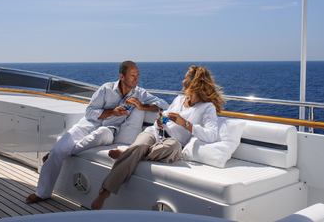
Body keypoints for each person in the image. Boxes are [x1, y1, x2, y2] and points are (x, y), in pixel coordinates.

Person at [26, 60, 168, 204]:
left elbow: (164, 105)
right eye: (132, 75)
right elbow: (89, 112)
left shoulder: (140, 93)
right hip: (88, 124)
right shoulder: (106, 89)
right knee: (58, 149)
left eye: (137, 75)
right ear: (122, 76)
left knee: (97, 135)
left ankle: (58, 153)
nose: (136, 79)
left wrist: (142, 106)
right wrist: (112, 112)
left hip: (110, 131)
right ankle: (42, 193)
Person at [91, 65, 224, 210]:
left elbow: (211, 135)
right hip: (155, 132)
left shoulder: (207, 107)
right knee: (142, 143)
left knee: (170, 146)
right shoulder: (179, 100)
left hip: (173, 143)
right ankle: (103, 194)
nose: (182, 81)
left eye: (186, 78)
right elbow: (165, 117)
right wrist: (161, 121)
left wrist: (185, 123)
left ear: (195, 82)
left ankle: (130, 153)